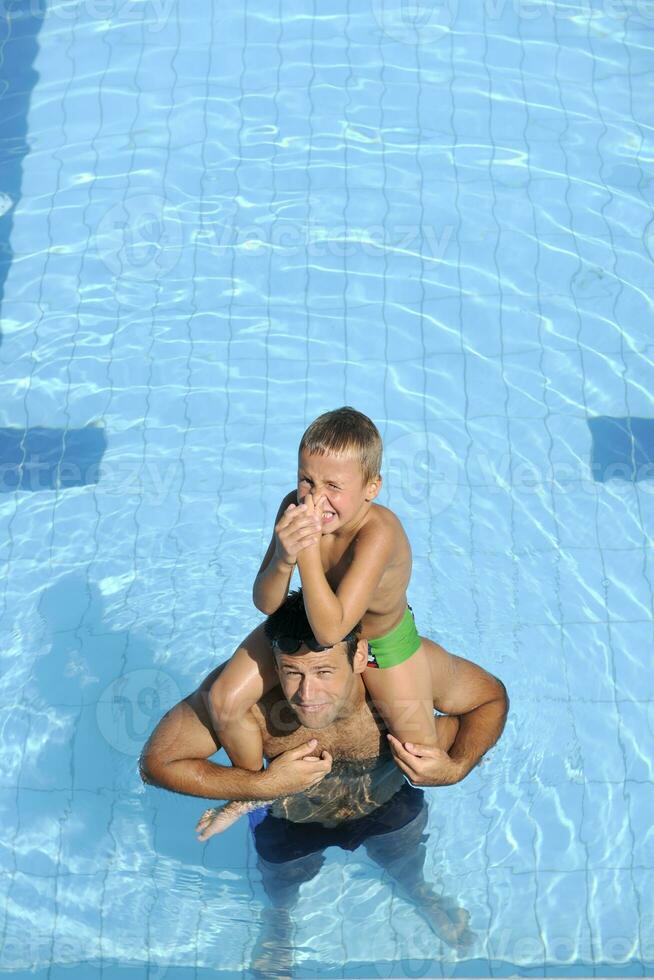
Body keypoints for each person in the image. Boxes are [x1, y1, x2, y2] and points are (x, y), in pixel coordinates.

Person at [205, 407, 474, 832]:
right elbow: (267, 602)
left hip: (381, 641)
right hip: (311, 618)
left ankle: (451, 727)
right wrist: (283, 556)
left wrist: (307, 550)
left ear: (372, 488)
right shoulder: (292, 507)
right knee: (223, 699)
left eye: (334, 485)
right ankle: (256, 787)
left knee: (418, 755)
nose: (315, 497)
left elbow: (335, 630)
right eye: (306, 479)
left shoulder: (378, 531)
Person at [140, 590, 508, 868]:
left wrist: (458, 765)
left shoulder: (409, 677)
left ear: (360, 656)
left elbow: (489, 700)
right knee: (281, 890)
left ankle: (423, 897)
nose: (307, 694)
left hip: (389, 804)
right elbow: (156, 764)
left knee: (408, 869)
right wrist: (258, 787)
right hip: (291, 820)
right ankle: (278, 929)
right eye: (292, 673)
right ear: (274, 663)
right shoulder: (247, 704)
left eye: (324, 672)